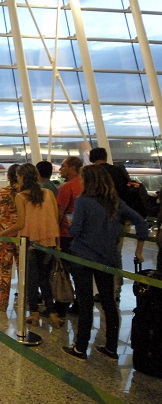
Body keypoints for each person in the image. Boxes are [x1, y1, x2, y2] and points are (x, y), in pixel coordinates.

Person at [62, 164, 147, 361]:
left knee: (85, 302)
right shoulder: (115, 202)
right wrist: (139, 250)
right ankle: (111, 347)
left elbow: (76, 231)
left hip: (82, 256)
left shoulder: (83, 201)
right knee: (108, 301)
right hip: (106, 259)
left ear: (88, 181)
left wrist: (70, 223)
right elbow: (141, 222)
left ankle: (80, 347)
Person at [0, 163, 62, 328]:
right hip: (49, 242)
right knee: (45, 279)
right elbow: (55, 219)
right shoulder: (49, 193)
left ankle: (34, 314)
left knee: (31, 279)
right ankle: (52, 313)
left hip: (29, 242)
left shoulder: (21, 196)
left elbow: (20, 224)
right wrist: (57, 244)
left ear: (21, 177)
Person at [89, 147, 130, 302]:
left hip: (100, 223)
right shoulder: (119, 172)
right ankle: (116, 290)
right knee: (116, 254)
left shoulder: (94, 174)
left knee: (101, 256)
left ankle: (105, 291)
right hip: (120, 219)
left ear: (92, 158)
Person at [55, 156, 84, 316]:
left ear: (72, 168)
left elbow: (59, 214)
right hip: (82, 236)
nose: (60, 169)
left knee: (63, 271)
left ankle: (63, 303)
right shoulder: (86, 185)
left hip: (66, 235)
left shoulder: (67, 188)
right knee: (79, 271)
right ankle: (80, 302)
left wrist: (54, 235)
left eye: (63, 166)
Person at [0, 164, 20, 311]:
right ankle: (23, 299)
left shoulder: (0, 192)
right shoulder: (26, 193)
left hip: (3, 234)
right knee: (24, 270)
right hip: (22, 234)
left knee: (5, 270)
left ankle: (3, 302)